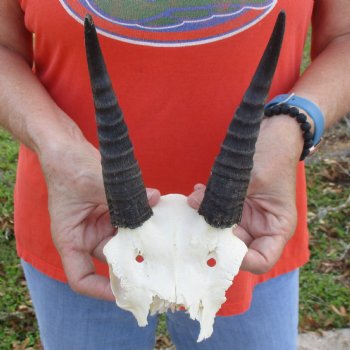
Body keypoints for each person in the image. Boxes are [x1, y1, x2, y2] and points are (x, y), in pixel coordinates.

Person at [1, 1, 349, 349]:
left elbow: (344, 38)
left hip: (245, 230)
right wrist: (54, 144)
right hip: (88, 226)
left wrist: (295, 123)